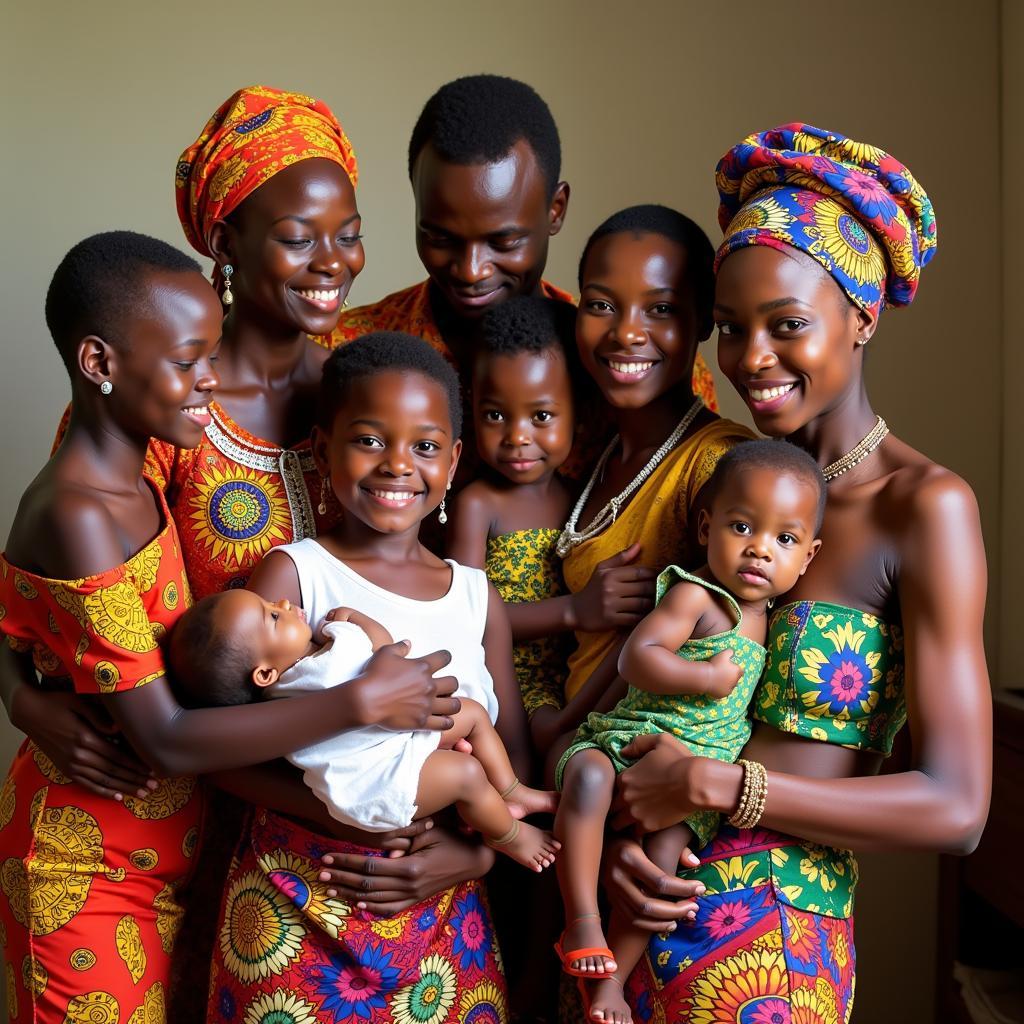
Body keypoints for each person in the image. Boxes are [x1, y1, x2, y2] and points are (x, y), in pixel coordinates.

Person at [0, 232, 447, 1022]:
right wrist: (359, 703)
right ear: (100, 365)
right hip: (89, 868)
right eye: (188, 360)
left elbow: (25, 620)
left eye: (211, 354)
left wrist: (16, 688)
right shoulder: (77, 511)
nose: (210, 379)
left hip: (169, 854)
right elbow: (166, 737)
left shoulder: (132, 483)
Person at [604, 125, 990, 1024]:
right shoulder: (722, 483)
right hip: (641, 914)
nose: (752, 360)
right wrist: (623, 826)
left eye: (788, 326)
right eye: (731, 330)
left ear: (862, 317)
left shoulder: (922, 507)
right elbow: (640, 699)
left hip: (776, 955)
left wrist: (720, 788)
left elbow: (958, 806)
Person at [206, 332, 526, 1020]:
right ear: (323, 451)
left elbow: (513, 767)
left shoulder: (476, 597)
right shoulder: (297, 577)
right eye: (370, 440)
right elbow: (224, 753)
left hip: (443, 913)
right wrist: (353, 823)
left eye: (426, 446)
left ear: (454, 460)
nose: (398, 465)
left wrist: (472, 859)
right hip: (301, 896)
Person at [553, 441, 825, 1023]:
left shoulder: (773, 618)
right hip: (625, 739)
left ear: (807, 557)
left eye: (784, 540)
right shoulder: (697, 595)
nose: (759, 549)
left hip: (687, 786)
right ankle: (581, 921)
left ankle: (610, 984)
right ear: (706, 528)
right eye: (742, 526)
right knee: (589, 780)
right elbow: (637, 658)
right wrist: (704, 677)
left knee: (663, 875)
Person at [329, 75, 718, 478]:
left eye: (504, 241)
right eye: (441, 237)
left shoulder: (631, 363)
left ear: (555, 210)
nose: (471, 270)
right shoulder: (343, 351)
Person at [538, 206, 753, 774]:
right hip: (570, 763)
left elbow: (739, 657)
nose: (627, 332)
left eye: (660, 309)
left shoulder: (720, 465)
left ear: (704, 320)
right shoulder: (590, 447)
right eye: (602, 305)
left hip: (641, 770)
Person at [168, 588, 559, 870]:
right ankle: (509, 834)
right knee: (466, 774)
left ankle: (513, 791)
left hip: (396, 745)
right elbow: (385, 648)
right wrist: (355, 620)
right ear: (266, 673)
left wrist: (344, 628)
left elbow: (379, 657)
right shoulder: (305, 683)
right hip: (378, 782)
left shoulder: (314, 660)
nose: (284, 603)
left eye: (271, 602)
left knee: (471, 713)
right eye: (273, 616)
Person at [448, 295, 579, 726]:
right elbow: (467, 619)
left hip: (570, 676)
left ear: (579, 411)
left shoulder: (583, 496)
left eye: (541, 415)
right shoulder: (477, 504)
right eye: (496, 415)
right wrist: (574, 611)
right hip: (497, 682)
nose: (517, 436)